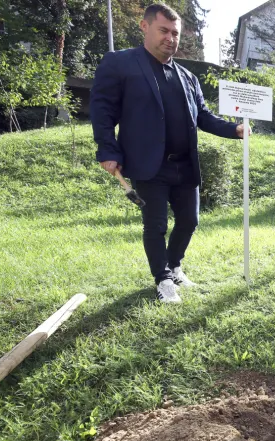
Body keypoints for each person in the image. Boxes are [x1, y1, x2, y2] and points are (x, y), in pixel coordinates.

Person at [90, 3, 247, 304]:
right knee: (156, 225)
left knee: (190, 220)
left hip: (185, 164)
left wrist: (234, 130)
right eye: (164, 30)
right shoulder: (120, 63)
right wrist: (108, 149)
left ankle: (174, 266)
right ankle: (162, 280)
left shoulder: (188, 78)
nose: (170, 38)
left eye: (175, 33)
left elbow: (203, 116)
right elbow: (102, 110)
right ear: (145, 27)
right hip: (149, 165)